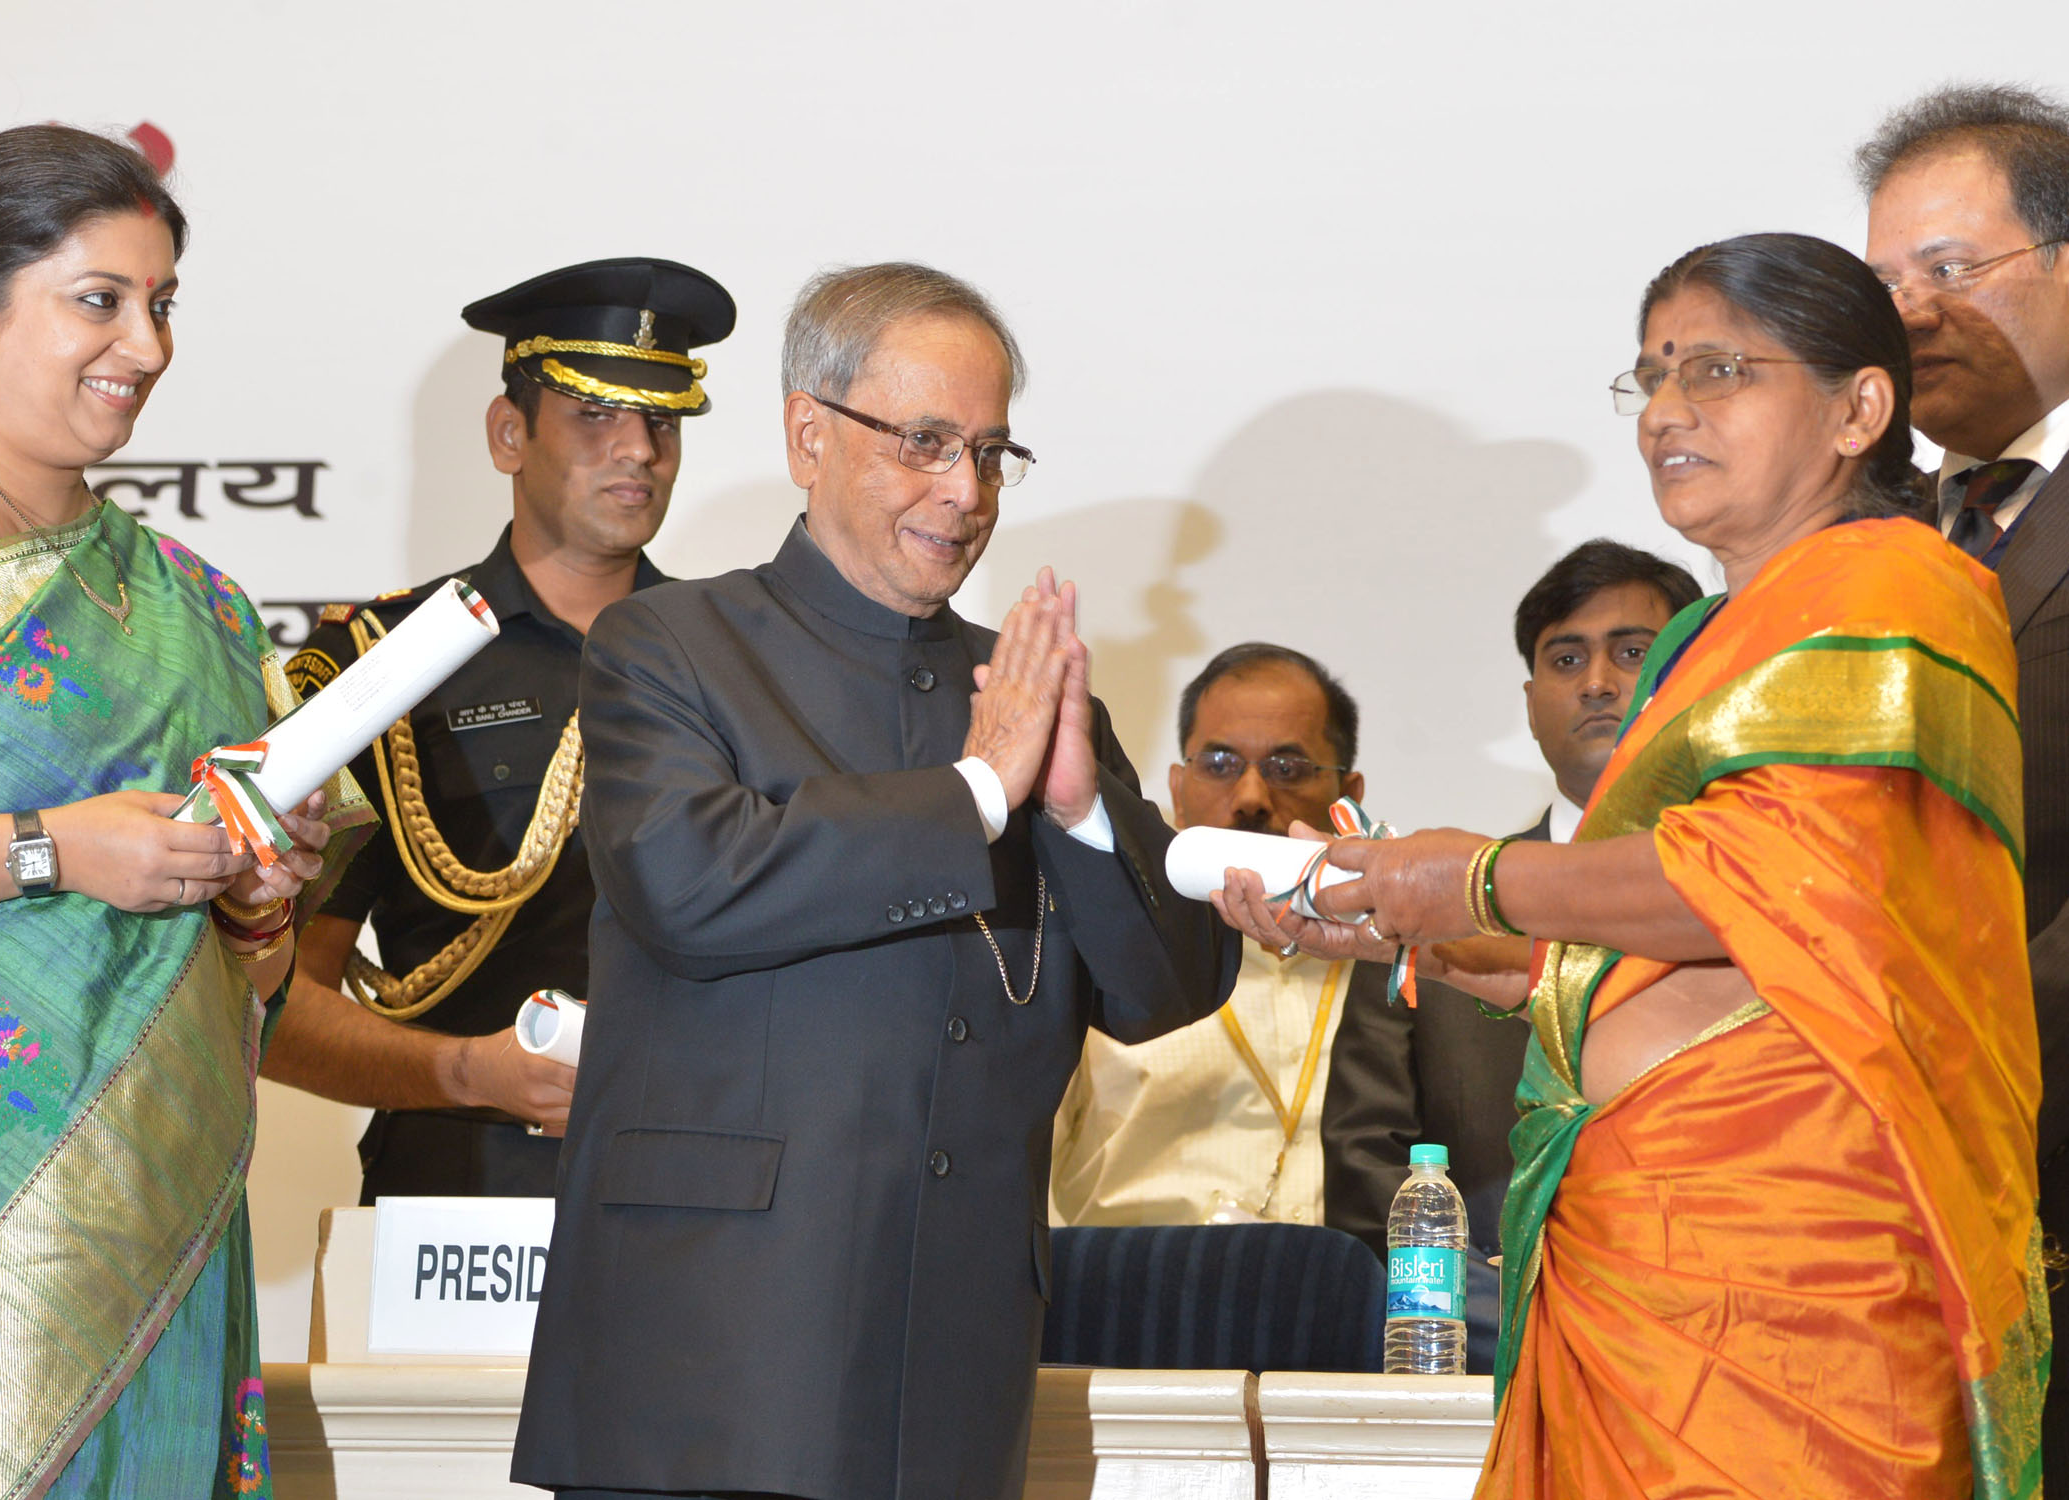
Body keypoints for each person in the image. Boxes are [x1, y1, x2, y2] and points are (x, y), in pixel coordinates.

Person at [1215, 233, 2045, 1497]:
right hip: (1631, 1259)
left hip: (1795, 1267)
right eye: (1652, 375)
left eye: (1717, 369)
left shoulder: (1899, 585)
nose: (1666, 411)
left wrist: (1468, 877)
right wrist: (1399, 925)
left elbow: (1760, 884)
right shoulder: (1704, 643)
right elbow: (1622, 957)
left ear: (1858, 409)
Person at [511, 261, 1237, 1500]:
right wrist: (978, 795)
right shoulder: (669, 645)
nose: (965, 492)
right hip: (711, 1358)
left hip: (955, 1369)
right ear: (809, 432)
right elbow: (689, 884)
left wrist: (1070, 807)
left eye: (993, 452)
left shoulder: (1032, 694)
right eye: (924, 442)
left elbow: (1166, 986)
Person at [0, 124, 367, 1497]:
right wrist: (55, 850)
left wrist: (259, 891)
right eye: (99, 300)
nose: (144, 345)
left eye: (162, 304)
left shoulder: (198, 604)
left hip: (154, 1217)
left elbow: (254, 960)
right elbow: (68, 853)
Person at [267, 259, 734, 1198]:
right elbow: (272, 1004)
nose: (639, 450)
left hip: (704, 1184)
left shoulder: (737, 657)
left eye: (661, 421)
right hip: (459, 1193)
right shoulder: (382, 663)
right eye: (596, 416)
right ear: (508, 433)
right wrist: (466, 1071)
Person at [1320, 540, 1700, 1371]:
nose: (1597, 680)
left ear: (1696, 675)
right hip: (1484, 1366)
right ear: (1531, 701)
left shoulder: (1742, 893)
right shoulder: (1429, 906)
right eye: (1567, 658)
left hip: (1716, 1339)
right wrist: (1525, 1313)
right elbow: (1365, 1177)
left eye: (1632, 652)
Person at [1858, 82, 2069, 1477]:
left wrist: (1965, 1027)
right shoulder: (1864, 532)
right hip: (1871, 1214)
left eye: (1949, 269)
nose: (1912, 312)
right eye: (1882, 284)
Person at [1050, 642, 1362, 1228]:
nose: (1250, 798)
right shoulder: (1101, 953)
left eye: (1287, 768)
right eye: (1218, 764)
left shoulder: (1399, 968)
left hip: (1356, 1305)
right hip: (1137, 1300)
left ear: (1349, 799)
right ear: (1177, 788)